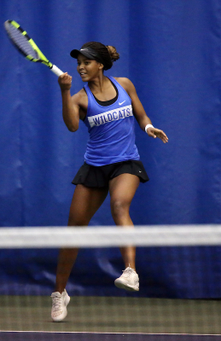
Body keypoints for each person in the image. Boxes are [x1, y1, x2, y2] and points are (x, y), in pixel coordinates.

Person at [50, 42, 169, 322]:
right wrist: (65, 91)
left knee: (119, 205)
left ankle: (130, 271)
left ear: (100, 64)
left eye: (86, 62)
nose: (81, 66)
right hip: (95, 167)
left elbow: (140, 115)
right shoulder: (79, 97)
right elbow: (71, 125)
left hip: (126, 162)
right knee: (73, 232)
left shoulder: (124, 85)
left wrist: (149, 127)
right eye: (79, 62)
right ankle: (59, 293)